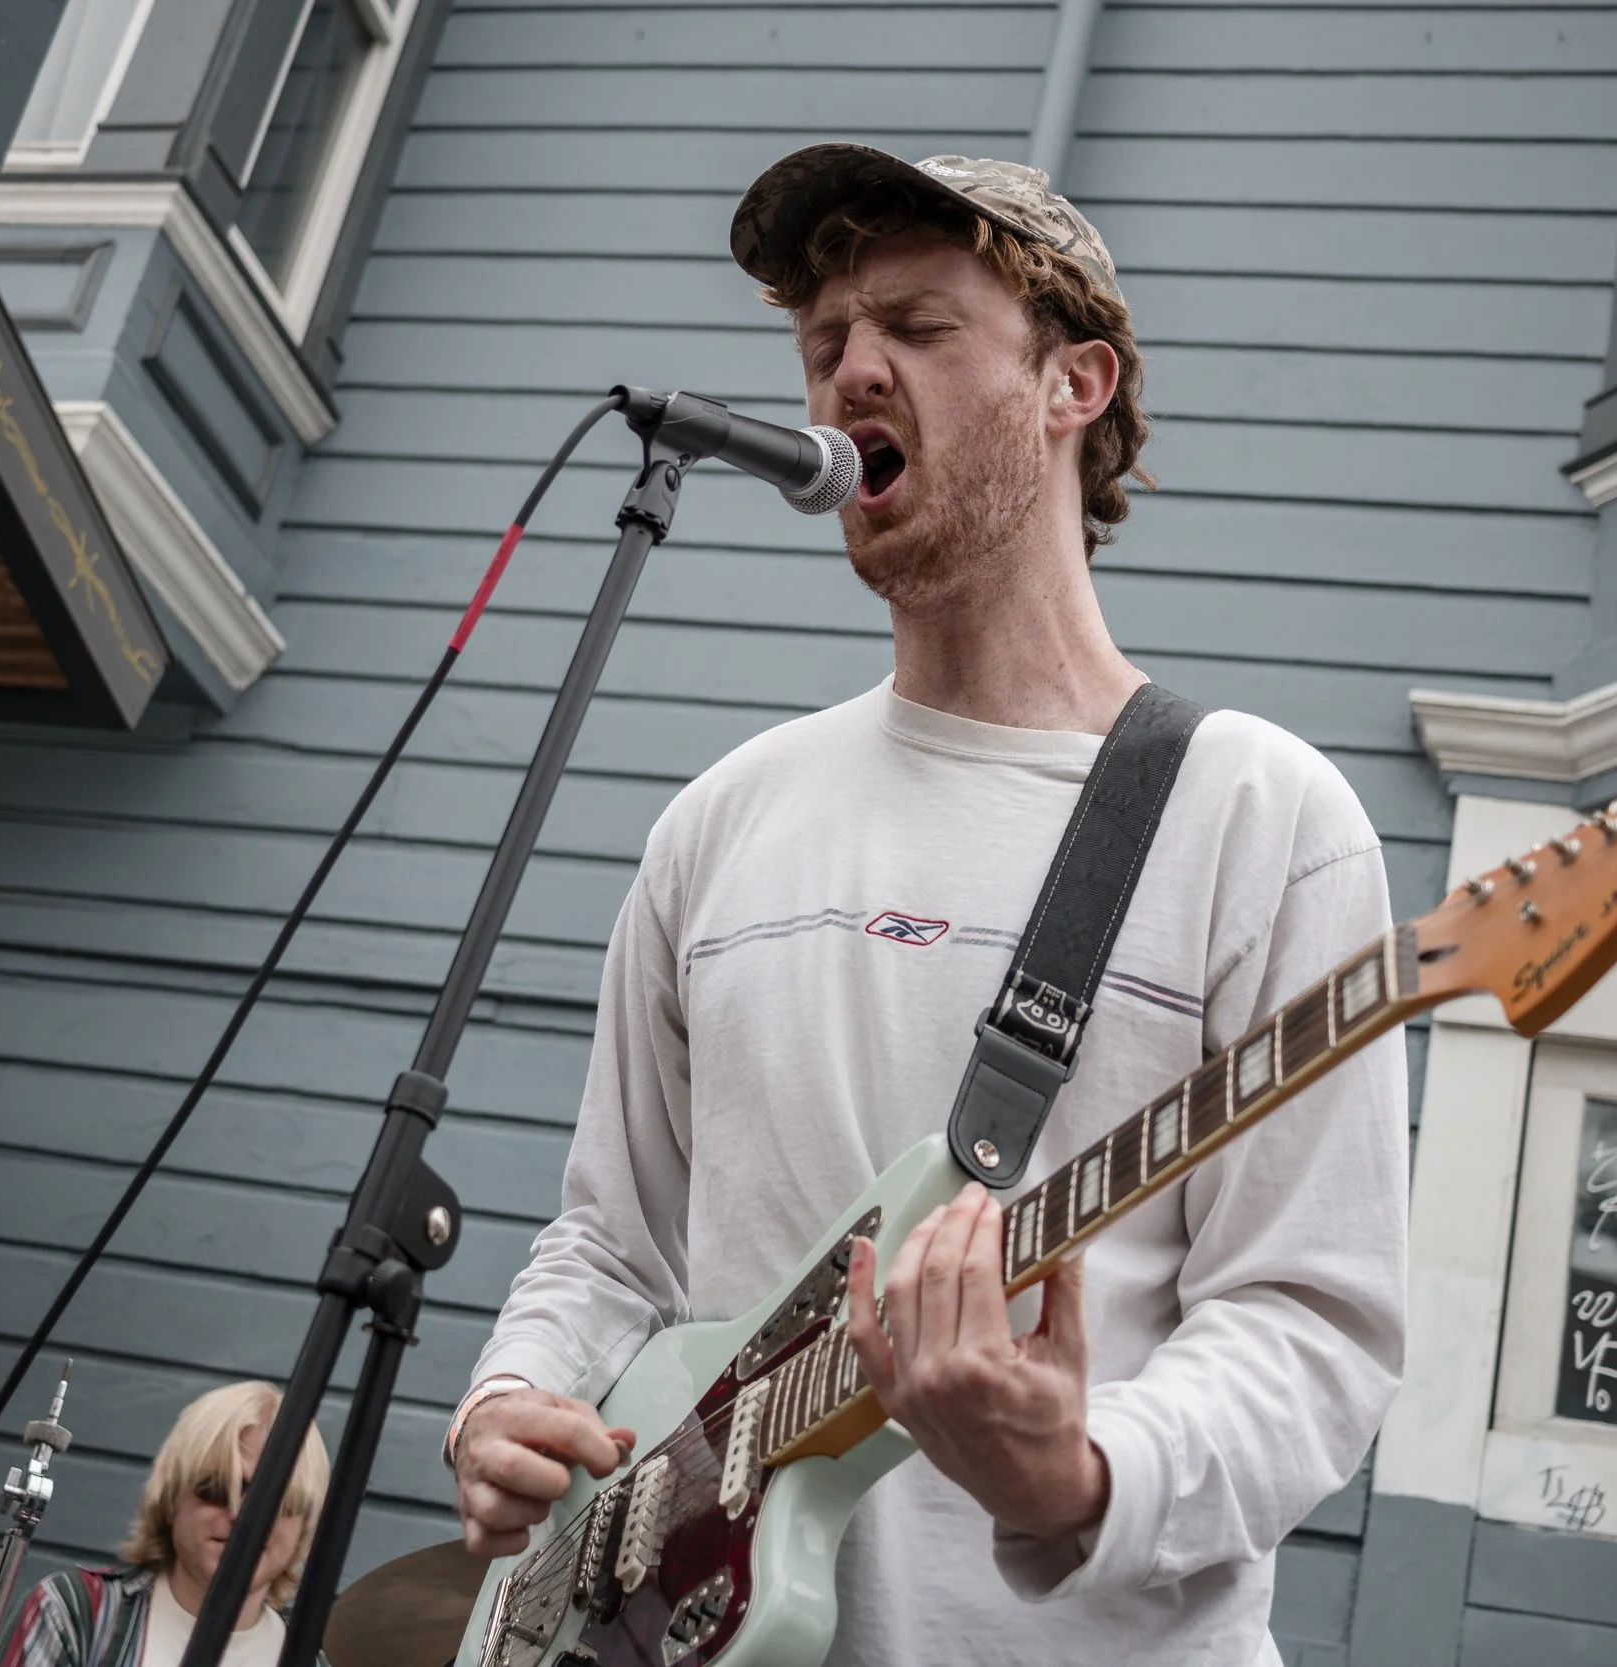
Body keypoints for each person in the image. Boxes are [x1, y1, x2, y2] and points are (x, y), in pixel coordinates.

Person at [444, 145, 1408, 1665]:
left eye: (917, 324)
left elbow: (1313, 1320)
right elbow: (614, 1243)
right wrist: (515, 1391)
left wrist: (1081, 1472)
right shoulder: (721, 823)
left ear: (1073, 383)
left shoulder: (1260, 817)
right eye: (823, 339)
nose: (849, 371)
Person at [1, 1381, 332, 1667]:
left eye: (275, 1499)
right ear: (172, 1499)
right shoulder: (75, 1614)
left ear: (304, 1525)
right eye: (217, 1488)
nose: (241, 1514)